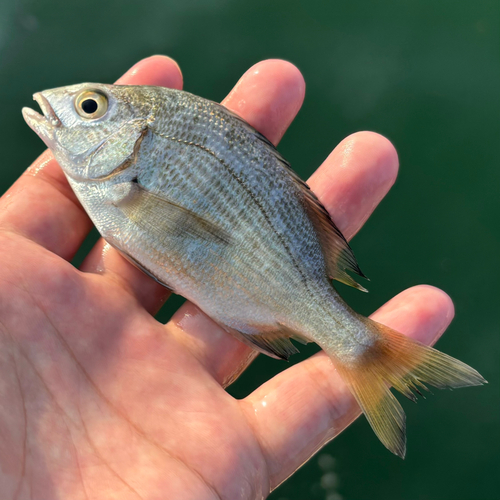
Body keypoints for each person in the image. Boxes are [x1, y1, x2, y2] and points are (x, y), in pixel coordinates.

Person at [0, 56, 454, 499]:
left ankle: (363, 350)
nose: (62, 106)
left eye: (90, 108)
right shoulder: (118, 183)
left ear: (136, 135)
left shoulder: (125, 183)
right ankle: (362, 349)